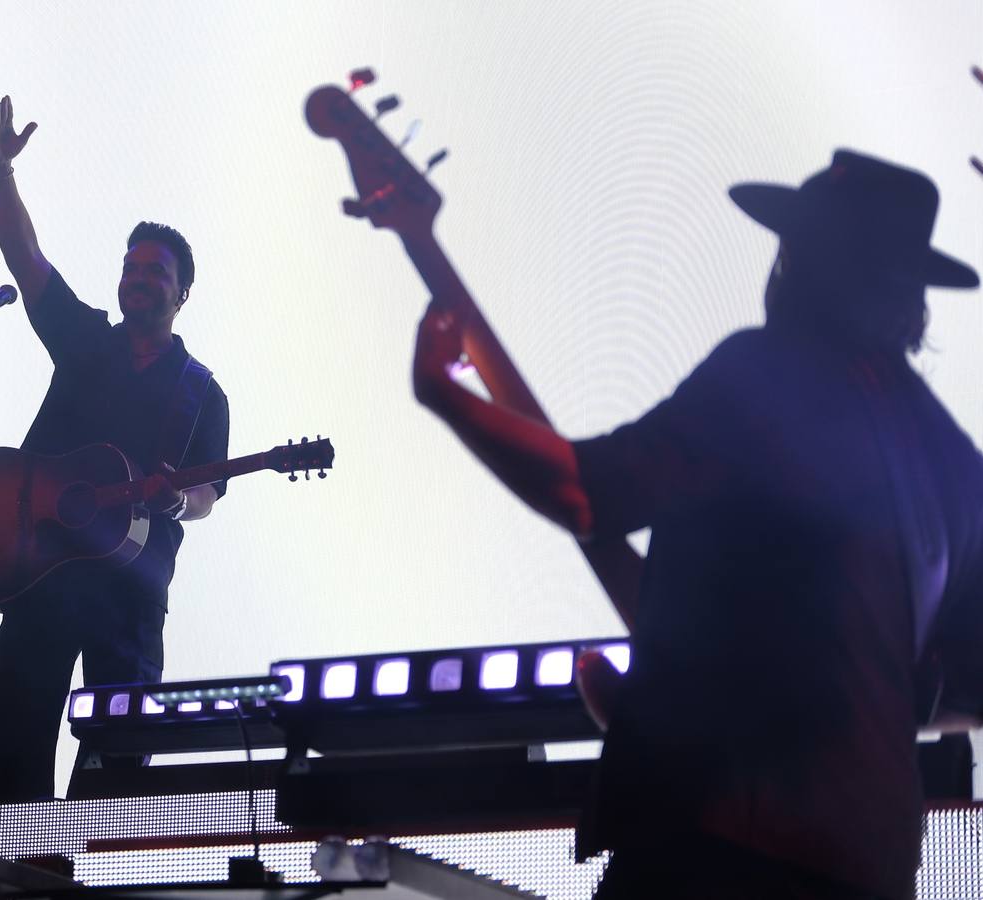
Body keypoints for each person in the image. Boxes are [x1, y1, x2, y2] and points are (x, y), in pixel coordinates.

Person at [412, 149, 982, 899]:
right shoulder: (951, 457)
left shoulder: (771, 371)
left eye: (793, 252)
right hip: (872, 870)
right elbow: (968, 686)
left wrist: (442, 393)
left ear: (808, 267)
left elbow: (585, 495)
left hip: (716, 854)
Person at [0, 96, 229, 804]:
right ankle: (0, 872)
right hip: (43, 573)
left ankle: (79, 875)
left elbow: (210, 492)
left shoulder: (202, 393)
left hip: (131, 591)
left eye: (155, 272)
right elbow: (28, 261)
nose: (138, 279)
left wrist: (183, 498)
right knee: (12, 747)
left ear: (182, 293)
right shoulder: (87, 341)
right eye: (132, 267)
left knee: (119, 761)